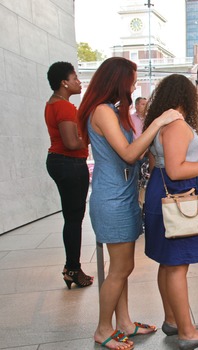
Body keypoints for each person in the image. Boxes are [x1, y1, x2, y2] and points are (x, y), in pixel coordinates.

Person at [78, 57, 180, 350]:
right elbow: (128, 153)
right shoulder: (102, 111)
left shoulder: (110, 110)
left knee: (122, 266)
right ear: (118, 81)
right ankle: (102, 329)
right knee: (121, 268)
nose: (135, 85)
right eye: (132, 79)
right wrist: (158, 121)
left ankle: (123, 323)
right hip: (112, 199)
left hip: (121, 195)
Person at [142, 74, 198, 350]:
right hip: (181, 196)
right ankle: (187, 332)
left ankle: (173, 320)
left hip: (161, 193)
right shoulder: (176, 124)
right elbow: (176, 170)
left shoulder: (161, 123)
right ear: (186, 96)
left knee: (167, 262)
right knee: (177, 265)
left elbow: (160, 164)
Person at [44, 61, 93, 289]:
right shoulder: (63, 107)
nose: (78, 81)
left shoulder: (54, 104)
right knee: (74, 219)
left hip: (62, 162)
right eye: (75, 78)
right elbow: (72, 143)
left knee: (72, 218)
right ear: (64, 82)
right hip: (69, 163)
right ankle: (72, 268)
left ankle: (72, 267)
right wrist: (95, 137)